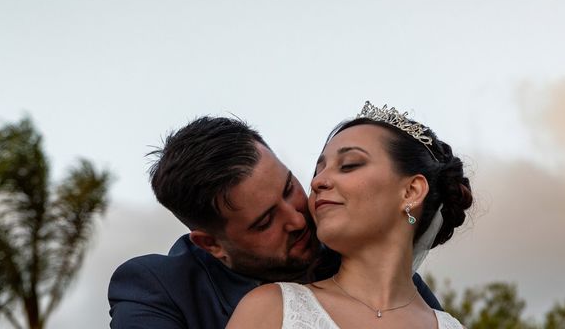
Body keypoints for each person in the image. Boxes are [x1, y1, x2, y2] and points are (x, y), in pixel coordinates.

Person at [108, 115, 442, 328]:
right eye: (265, 221)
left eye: (289, 188)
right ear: (211, 245)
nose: (297, 218)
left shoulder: (363, 266)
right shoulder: (156, 290)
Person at [227, 102, 473, 328]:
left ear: (411, 191)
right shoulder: (271, 309)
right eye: (318, 170)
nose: (318, 182)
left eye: (349, 165)